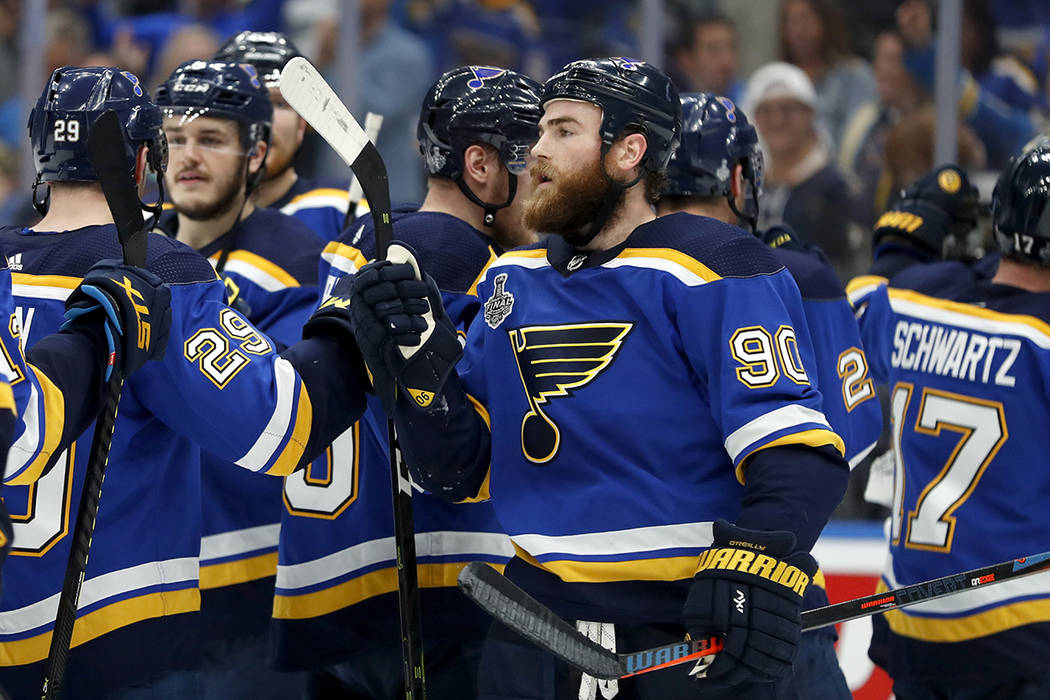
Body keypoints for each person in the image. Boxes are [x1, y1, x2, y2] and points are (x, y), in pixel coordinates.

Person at [348, 57, 851, 699]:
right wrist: (415, 368)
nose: (536, 153)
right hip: (536, 632)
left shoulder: (711, 267)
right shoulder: (510, 280)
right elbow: (460, 469)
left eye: (562, 131)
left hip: (683, 631)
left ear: (628, 152)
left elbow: (795, 450)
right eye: (537, 134)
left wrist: (759, 559)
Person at [0, 66, 367, 699]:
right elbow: (285, 426)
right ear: (148, 155)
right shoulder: (155, 272)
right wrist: (346, 327)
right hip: (115, 642)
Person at [272, 64, 541, 699]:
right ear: (481, 166)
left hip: (337, 582)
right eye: (532, 159)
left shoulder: (360, 239)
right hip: (436, 593)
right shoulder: (458, 254)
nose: (545, 179)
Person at [656, 91, 883, 698]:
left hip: (635, 603)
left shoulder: (608, 272)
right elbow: (848, 439)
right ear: (737, 176)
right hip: (770, 590)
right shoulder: (792, 275)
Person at [848, 140, 1050, 699]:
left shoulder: (917, 300)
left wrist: (903, 237)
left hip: (912, 620)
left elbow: (860, 300)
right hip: (1021, 626)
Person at [152, 58, 324, 697]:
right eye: (174, 140)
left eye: (212, 139)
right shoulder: (128, 256)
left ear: (256, 154)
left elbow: (281, 424)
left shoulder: (295, 261)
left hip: (248, 594)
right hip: (140, 594)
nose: (188, 157)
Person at [213, 30, 355, 243]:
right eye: (240, 100)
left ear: (303, 123)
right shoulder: (164, 219)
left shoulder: (346, 212)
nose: (263, 119)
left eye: (279, 103)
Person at [743, 61, 861, 281]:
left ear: (810, 114)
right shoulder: (748, 186)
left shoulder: (836, 188)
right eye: (766, 111)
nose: (777, 120)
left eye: (787, 110)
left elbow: (847, 267)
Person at [778, 0, 877, 150]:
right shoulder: (778, 80)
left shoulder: (854, 75)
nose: (799, 31)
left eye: (806, 20)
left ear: (826, 22)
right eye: (792, 21)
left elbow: (862, 136)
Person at [670, 11, 743, 104]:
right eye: (714, 49)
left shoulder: (750, 102)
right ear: (686, 59)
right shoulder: (670, 108)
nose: (726, 60)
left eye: (731, 47)